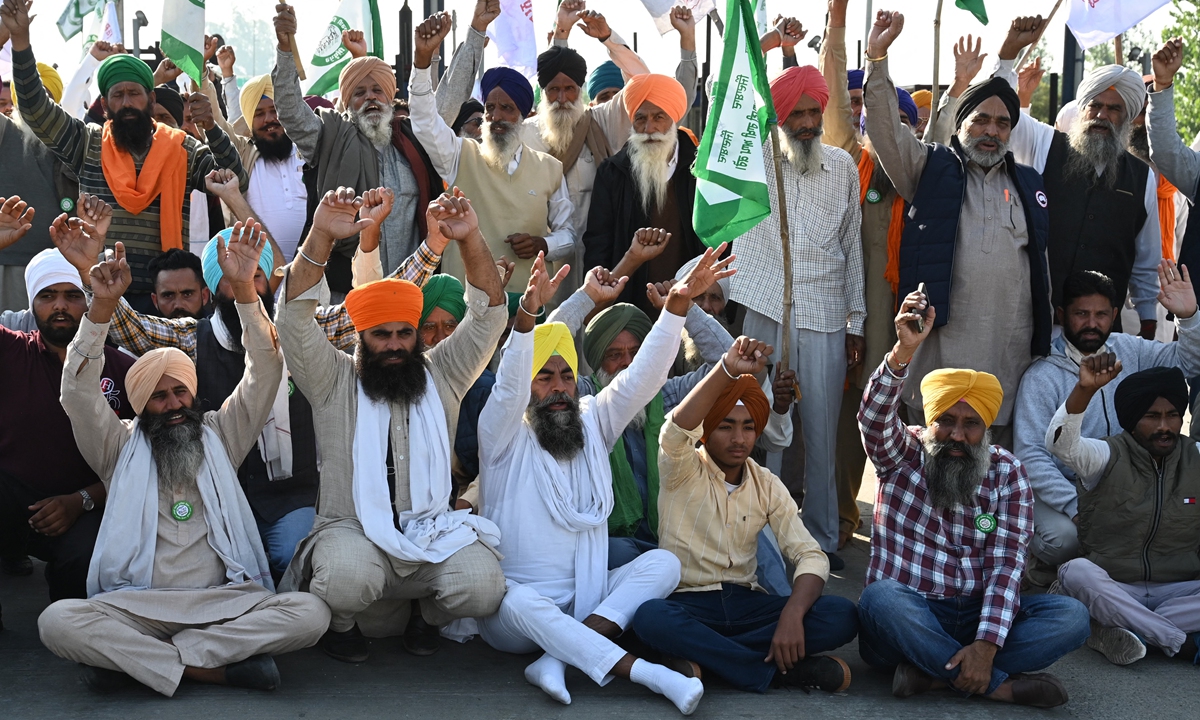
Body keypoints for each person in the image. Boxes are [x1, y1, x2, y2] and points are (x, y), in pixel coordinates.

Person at [41, 228, 330, 696]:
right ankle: (211, 667)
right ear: (138, 404)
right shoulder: (117, 447)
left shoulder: (220, 433)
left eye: (179, 391)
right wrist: (98, 309)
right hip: (138, 605)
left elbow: (265, 368)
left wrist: (243, 290)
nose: (172, 405)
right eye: (157, 397)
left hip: (224, 601)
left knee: (311, 613)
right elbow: (76, 391)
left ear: (192, 394)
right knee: (56, 621)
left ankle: (142, 664)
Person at [474, 250, 730, 715]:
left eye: (567, 377)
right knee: (520, 601)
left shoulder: (593, 424)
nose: (558, 388)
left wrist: (675, 308)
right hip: (516, 621)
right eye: (544, 377)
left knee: (664, 564)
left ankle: (558, 659)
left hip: (586, 603)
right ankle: (647, 674)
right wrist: (528, 314)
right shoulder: (503, 438)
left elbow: (641, 379)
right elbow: (509, 383)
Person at [276, 188, 508, 663]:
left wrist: (471, 239)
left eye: (405, 333)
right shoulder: (333, 378)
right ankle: (342, 626)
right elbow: (294, 319)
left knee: (485, 587)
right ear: (360, 337)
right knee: (345, 578)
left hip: (431, 528)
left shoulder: (441, 372)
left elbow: (488, 316)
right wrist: (320, 234)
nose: (396, 345)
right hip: (352, 528)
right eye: (381, 335)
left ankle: (427, 616)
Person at [855, 287, 1090, 707]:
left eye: (971, 424)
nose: (958, 435)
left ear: (988, 428)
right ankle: (999, 686)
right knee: (880, 599)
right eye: (945, 421)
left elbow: (1006, 565)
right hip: (914, 615)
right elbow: (873, 418)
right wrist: (902, 352)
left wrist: (985, 644)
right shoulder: (903, 454)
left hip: (979, 617)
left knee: (1071, 617)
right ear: (929, 421)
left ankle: (934, 675)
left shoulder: (1007, 472)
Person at [862, 10, 1052, 448]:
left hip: (1007, 361)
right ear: (961, 124)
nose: (991, 131)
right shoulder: (931, 170)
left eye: (1002, 123)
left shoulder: (1029, 184)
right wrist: (877, 58)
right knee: (934, 468)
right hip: (939, 359)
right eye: (980, 120)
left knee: (992, 478)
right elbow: (887, 130)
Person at [631, 335, 860, 694]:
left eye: (748, 426)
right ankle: (776, 671)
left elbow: (810, 555)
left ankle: (709, 660)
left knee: (841, 615)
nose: (739, 438)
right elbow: (676, 430)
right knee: (650, 618)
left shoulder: (766, 483)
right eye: (726, 426)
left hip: (748, 605)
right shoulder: (681, 467)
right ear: (706, 432)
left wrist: (791, 616)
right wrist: (726, 368)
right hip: (689, 603)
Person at [1, 0, 248, 309]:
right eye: (118, 95)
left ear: (151, 98)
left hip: (167, 302)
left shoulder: (184, 149)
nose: (127, 102)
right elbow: (36, 110)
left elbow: (236, 180)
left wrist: (211, 127)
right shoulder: (86, 143)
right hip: (101, 295)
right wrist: (21, 41)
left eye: (135, 93)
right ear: (105, 106)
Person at [733, 59, 865, 564]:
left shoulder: (843, 168)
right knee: (764, 425)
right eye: (797, 114)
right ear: (779, 117)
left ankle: (821, 542)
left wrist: (857, 320)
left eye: (814, 111)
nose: (807, 123)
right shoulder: (755, 165)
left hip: (827, 313)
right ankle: (759, 537)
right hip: (766, 306)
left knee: (823, 432)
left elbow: (853, 247)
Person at [1014, 266, 1200, 574]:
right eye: (1081, 314)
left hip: (1127, 487)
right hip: (1065, 490)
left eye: (1101, 315)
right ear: (1062, 314)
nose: (1091, 324)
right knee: (1065, 541)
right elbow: (1031, 455)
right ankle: (1052, 578)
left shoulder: (1131, 350)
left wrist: (1189, 317)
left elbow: (1190, 363)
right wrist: (1078, 508)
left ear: (1114, 314)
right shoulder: (1042, 374)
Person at [993, 15, 1160, 338]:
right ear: (1081, 109)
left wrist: (1148, 319)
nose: (1101, 115)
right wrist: (1008, 54)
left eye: (1114, 109)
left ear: (1127, 119)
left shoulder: (1142, 177)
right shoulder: (1045, 144)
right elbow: (1002, 108)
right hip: (1036, 321)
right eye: (1094, 105)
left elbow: (1145, 258)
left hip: (1102, 332)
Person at [0, 212, 135, 598]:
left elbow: (141, 460)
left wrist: (82, 500)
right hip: (11, 504)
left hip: (87, 510)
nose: (60, 306)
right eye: (47, 296)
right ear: (31, 304)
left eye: (73, 295)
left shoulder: (124, 369)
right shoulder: (11, 352)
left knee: (81, 573)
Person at [271, 3, 443, 292]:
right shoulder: (328, 138)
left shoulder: (414, 141)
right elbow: (289, 109)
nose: (370, 98)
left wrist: (472, 34)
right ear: (347, 102)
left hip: (413, 290)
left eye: (377, 91)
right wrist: (285, 48)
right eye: (360, 93)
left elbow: (447, 104)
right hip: (346, 291)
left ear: (390, 98)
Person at [408, 11, 574, 294]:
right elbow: (424, 123)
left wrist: (543, 244)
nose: (495, 116)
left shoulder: (549, 169)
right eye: (490, 108)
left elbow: (568, 234)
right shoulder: (460, 154)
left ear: (525, 115)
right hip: (465, 306)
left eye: (506, 109)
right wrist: (422, 63)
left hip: (524, 306)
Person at [1047, 361, 1200, 666]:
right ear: (1132, 421)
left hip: (1178, 591)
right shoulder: (1105, 455)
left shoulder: (1195, 456)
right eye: (1152, 416)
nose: (1164, 427)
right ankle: (1179, 642)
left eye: (1172, 415)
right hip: (1114, 586)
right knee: (1075, 572)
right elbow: (1061, 444)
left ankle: (1123, 628)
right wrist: (1085, 390)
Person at [583, 73, 702, 313]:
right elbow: (598, 243)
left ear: (674, 119)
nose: (649, 128)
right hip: (629, 304)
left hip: (691, 302)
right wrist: (599, 304)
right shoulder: (613, 172)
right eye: (640, 119)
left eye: (659, 117)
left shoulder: (700, 169)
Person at [147, 248, 210, 319]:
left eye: (187, 294)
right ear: (155, 301)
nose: (178, 305)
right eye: (168, 296)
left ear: (204, 296)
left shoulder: (221, 329)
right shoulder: (145, 329)